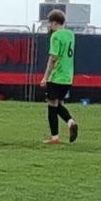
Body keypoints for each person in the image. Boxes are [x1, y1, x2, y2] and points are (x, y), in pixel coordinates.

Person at [41, 9, 80, 144]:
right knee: (57, 104)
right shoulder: (71, 34)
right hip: (68, 77)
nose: (48, 26)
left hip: (57, 75)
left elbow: (53, 58)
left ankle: (55, 137)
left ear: (54, 23)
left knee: (52, 105)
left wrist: (45, 76)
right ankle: (70, 123)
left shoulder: (56, 36)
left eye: (49, 23)